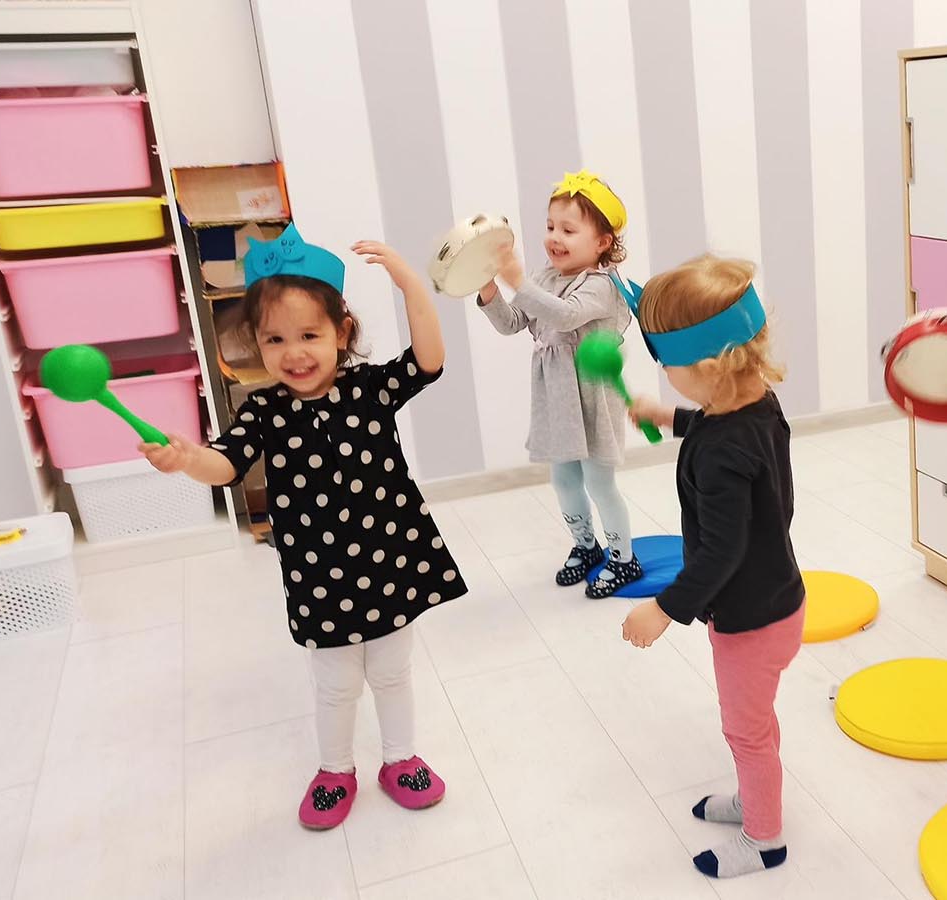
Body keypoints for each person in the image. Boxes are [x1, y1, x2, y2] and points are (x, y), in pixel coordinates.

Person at [141, 224, 467, 830]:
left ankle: (400, 759)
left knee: (392, 672)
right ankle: (335, 770)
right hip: (320, 576)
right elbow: (225, 465)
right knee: (336, 682)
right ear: (256, 343)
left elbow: (429, 361)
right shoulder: (263, 410)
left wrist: (410, 286)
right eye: (275, 338)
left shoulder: (370, 389)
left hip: (391, 562)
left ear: (342, 332)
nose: (294, 353)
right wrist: (188, 459)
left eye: (310, 335)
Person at [619, 255, 805, 880]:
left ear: (706, 367)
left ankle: (764, 838)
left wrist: (663, 608)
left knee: (745, 731)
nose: (665, 375)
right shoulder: (757, 405)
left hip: (750, 621)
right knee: (757, 723)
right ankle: (758, 797)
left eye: (666, 365)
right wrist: (667, 417)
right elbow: (714, 427)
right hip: (779, 597)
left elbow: (722, 552)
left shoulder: (723, 452)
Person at [476, 170, 643, 598]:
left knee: (599, 483)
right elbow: (513, 323)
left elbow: (565, 315)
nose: (554, 237)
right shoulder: (546, 277)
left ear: (602, 242)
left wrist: (518, 281)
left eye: (568, 230)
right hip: (556, 398)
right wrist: (490, 289)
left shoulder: (602, 286)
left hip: (592, 398)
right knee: (564, 481)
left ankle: (624, 559)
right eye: (551, 226)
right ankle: (586, 546)